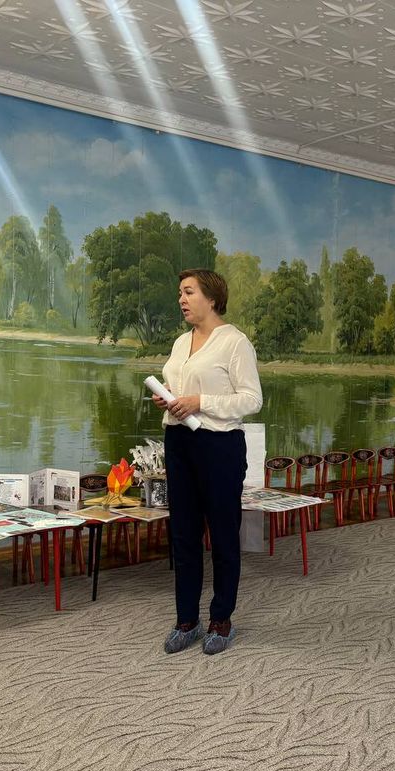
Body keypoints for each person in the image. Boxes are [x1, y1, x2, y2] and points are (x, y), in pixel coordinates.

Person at [152, 269, 262, 655]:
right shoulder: (181, 342)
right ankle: (187, 619)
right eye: (180, 293)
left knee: (223, 534)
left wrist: (200, 402)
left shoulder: (235, 342)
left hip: (219, 447)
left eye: (188, 292)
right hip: (178, 441)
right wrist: (169, 397)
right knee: (183, 534)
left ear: (211, 298)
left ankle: (221, 619)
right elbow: (182, 388)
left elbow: (252, 399)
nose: (181, 300)